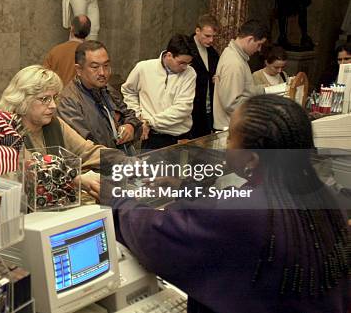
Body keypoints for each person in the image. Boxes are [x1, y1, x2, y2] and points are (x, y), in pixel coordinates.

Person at [106, 95, 349, 312]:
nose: (226, 145)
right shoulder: (324, 195)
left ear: (252, 158)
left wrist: (116, 199)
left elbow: (156, 234)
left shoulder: (245, 213)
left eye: (231, 138)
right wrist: (183, 186)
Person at [0, 65, 108, 199]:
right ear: (22, 99)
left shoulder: (54, 123)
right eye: (44, 99)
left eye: (54, 97)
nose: (53, 106)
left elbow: (87, 152)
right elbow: (32, 171)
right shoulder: (6, 131)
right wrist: (76, 180)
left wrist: (127, 163)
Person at [57, 41, 141, 154]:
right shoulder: (68, 101)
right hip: (96, 167)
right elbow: (83, 147)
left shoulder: (107, 89)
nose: (102, 72)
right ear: (79, 70)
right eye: (95, 67)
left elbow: (128, 114)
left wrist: (131, 126)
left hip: (120, 161)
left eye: (106, 66)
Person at [121, 35, 196, 150]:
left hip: (180, 137)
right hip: (152, 138)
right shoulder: (143, 68)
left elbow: (183, 108)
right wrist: (137, 116)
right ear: (169, 55)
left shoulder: (190, 73)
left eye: (188, 63)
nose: (185, 67)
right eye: (182, 63)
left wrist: (149, 121)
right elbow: (128, 91)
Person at [213, 20, 268, 131]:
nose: (259, 49)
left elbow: (244, 90)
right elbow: (231, 103)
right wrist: (261, 107)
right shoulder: (234, 63)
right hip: (230, 129)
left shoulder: (236, 56)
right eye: (259, 45)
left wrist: (263, 90)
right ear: (250, 39)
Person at [187, 14, 220, 138]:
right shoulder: (186, 47)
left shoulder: (213, 53)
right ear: (197, 31)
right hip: (189, 109)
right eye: (207, 36)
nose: (211, 40)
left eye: (213, 37)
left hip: (206, 110)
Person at [43, 15, 91, 85]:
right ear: (88, 32)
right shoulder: (91, 54)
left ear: (72, 28)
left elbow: (43, 78)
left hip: (58, 94)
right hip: (80, 95)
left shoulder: (55, 51)